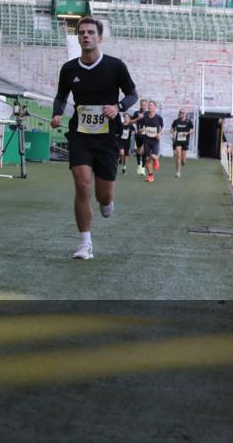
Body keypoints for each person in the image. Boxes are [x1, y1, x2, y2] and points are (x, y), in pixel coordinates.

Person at [51, 17, 137, 260]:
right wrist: (57, 112)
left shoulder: (115, 66)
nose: (85, 36)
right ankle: (85, 243)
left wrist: (118, 107)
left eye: (90, 32)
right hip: (80, 134)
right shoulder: (69, 69)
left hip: (108, 136)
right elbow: (61, 95)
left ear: (100, 37)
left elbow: (132, 94)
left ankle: (107, 202)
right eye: (81, 32)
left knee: (103, 195)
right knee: (82, 184)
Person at [137, 100, 164, 183]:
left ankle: (156, 160)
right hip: (147, 140)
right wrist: (142, 130)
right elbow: (140, 129)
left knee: (154, 156)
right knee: (147, 158)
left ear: (155, 107)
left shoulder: (159, 118)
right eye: (149, 105)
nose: (149, 106)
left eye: (151, 105)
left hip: (155, 140)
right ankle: (150, 176)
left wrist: (159, 134)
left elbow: (163, 127)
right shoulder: (144, 118)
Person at [170, 109, 195, 177]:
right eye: (180, 113)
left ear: (185, 114)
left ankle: (182, 163)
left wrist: (187, 133)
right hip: (177, 141)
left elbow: (193, 130)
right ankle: (178, 172)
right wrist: (173, 132)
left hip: (185, 141)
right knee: (178, 155)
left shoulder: (188, 121)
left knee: (183, 161)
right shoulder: (176, 121)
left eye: (183, 113)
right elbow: (171, 129)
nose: (181, 114)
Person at [130, 99, 148, 176]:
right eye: (142, 105)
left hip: (146, 135)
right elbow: (131, 122)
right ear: (140, 105)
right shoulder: (136, 113)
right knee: (138, 151)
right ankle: (139, 165)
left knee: (144, 151)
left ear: (146, 106)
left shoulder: (148, 113)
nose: (143, 106)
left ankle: (143, 168)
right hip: (138, 135)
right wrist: (138, 118)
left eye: (144, 105)